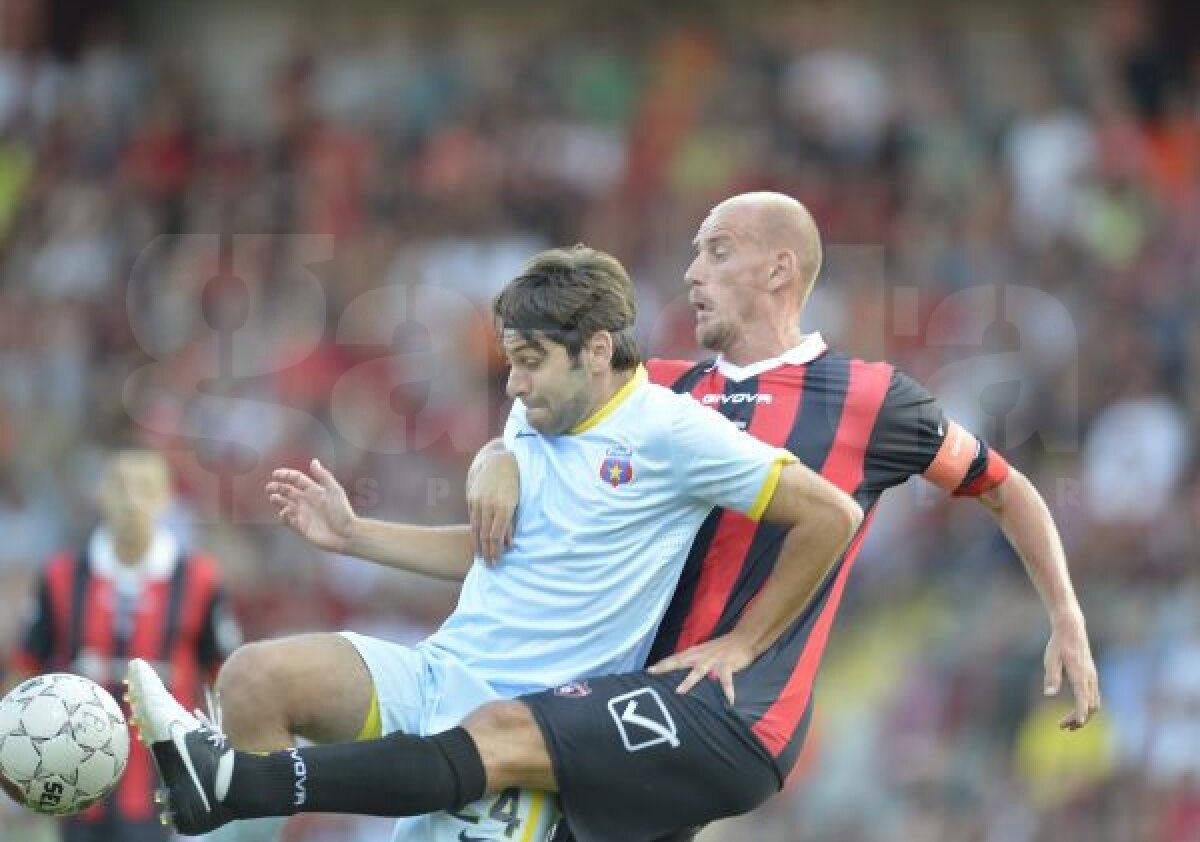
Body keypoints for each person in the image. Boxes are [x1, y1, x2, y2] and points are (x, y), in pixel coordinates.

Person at [130, 191, 1101, 842]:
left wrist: (1064, 614)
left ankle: (245, 785)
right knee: (278, 685)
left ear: (779, 270)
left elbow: (997, 486)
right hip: (596, 694)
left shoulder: (866, 399)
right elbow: (537, 444)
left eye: (715, 251)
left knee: (489, 746)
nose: (691, 271)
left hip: (702, 705)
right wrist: (492, 455)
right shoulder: (649, 388)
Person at [123, 243, 862, 841]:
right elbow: (497, 550)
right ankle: (221, 799)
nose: (512, 384)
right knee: (255, 678)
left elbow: (831, 515)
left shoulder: (675, 433)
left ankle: (232, 786)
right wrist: (353, 535)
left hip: (526, 727)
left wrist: (744, 644)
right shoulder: (533, 415)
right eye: (511, 359)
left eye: (530, 360)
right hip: (440, 672)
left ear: (596, 350)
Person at [2, 449, 240, 842]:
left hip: (164, 787)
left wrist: (226, 764)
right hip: (72, 779)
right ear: (100, 494)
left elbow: (227, 678)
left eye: (144, 488)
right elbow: (23, 668)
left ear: (165, 498)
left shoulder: (199, 580)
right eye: (119, 487)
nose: (131, 500)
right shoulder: (61, 576)